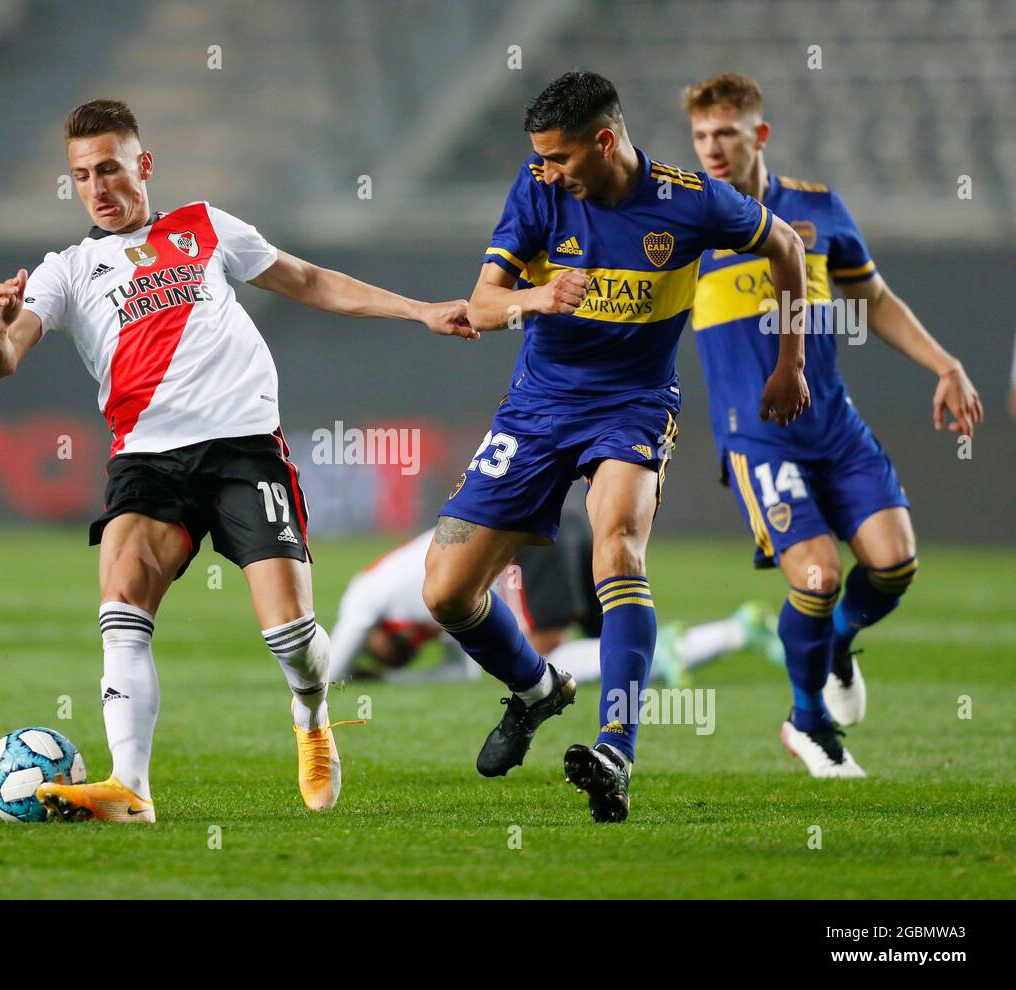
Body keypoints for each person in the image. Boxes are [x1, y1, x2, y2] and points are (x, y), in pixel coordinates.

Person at [0, 99, 473, 822]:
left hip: (244, 447)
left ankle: (311, 717)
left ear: (143, 166)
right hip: (147, 459)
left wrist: (420, 309)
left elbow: (304, 280)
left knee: (290, 635)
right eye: (82, 176)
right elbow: (5, 360)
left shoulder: (205, 227)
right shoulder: (68, 270)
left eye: (110, 168)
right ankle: (131, 786)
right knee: (120, 604)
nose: (98, 188)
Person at [421, 70, 811, 823]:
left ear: (605, 141)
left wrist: (790, 363)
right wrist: (537, 296)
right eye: (539, 157)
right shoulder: (536, 193)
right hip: (537, 407)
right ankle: (538, 693)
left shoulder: (689, 202)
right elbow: (483, 301)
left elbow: (786, 245)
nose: (546, 170)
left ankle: (616, 751)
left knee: (618, 550)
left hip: (631, 406)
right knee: (445, 592)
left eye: (559, 157)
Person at [682, 73, 983, 777]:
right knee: (817, 574)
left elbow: (872, 299)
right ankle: (809, 721)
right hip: (757, 437)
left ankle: (839, 642)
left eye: (725, 133)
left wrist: (945, 363)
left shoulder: (817, 208)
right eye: (700, 136)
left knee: (895, 563)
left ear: (758, 135)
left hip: (835, 426)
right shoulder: (688, 223)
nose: (712, 148)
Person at [329, 513, 783, 686]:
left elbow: (332, 668)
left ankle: (670, 654)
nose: (391, 661)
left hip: (528, 543)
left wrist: (342, 680)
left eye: (382, 658)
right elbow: (466, 672)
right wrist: (389, 684)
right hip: (562, 529)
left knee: (546, 653)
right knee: (618, 644)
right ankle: (735, 631)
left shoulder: (368, 591)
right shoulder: (430, 609)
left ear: (378, 638)